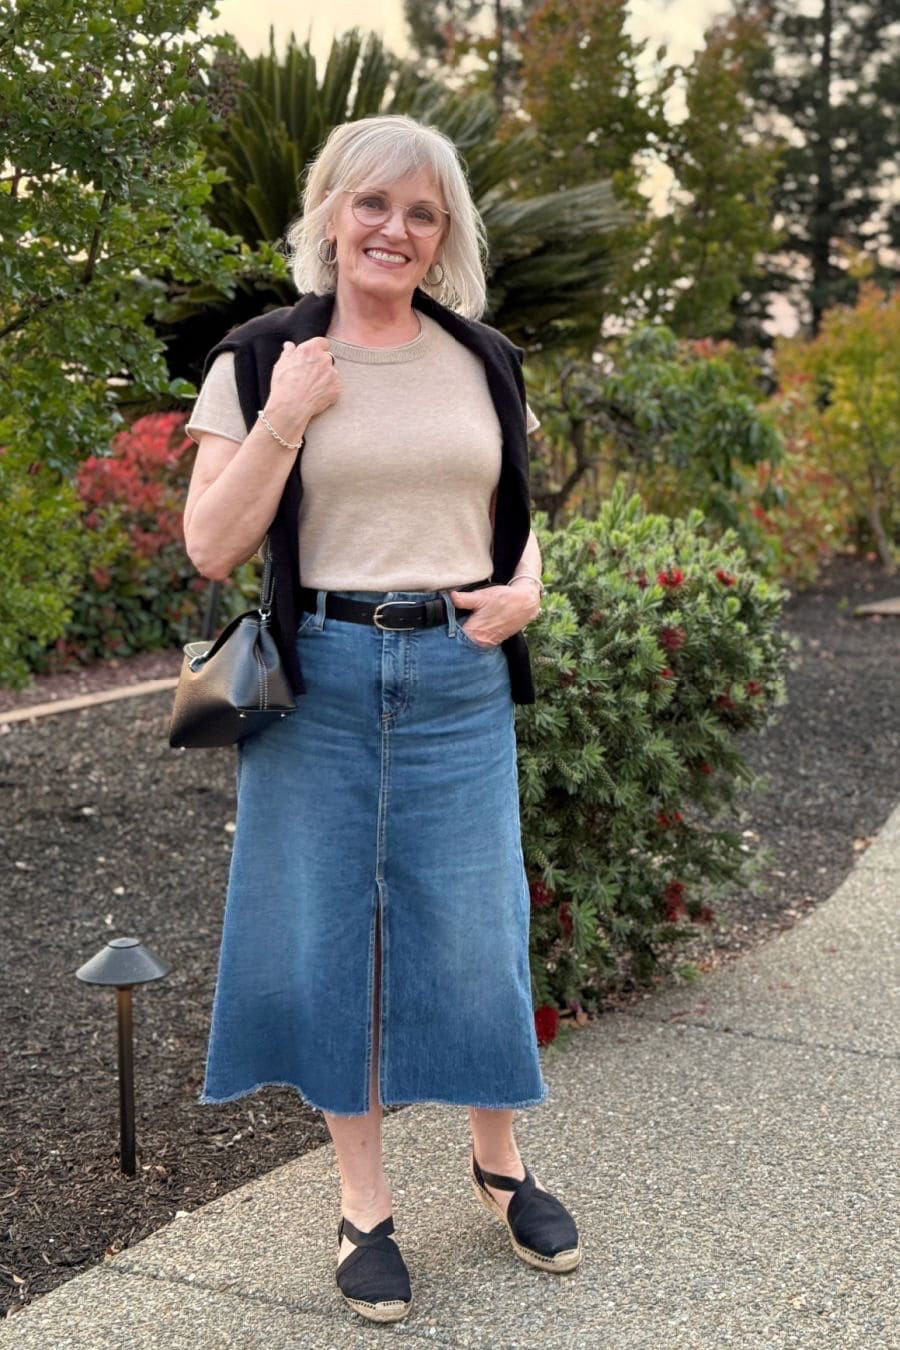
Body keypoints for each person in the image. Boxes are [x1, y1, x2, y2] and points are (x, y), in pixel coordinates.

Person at [182, 113, 581, 1324]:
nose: (393, 230)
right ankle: (364, 1206)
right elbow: (210, 543)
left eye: (420, 212)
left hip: (459, 679)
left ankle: (499, 1165)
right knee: (328, 931)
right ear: (329, 211)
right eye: (373, 204)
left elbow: (517, 520)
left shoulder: (483, 358)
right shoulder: (259, 358)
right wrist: (290, 415)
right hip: (322, 681)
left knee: (473, 924)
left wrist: (529, 588)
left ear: (442, 232)